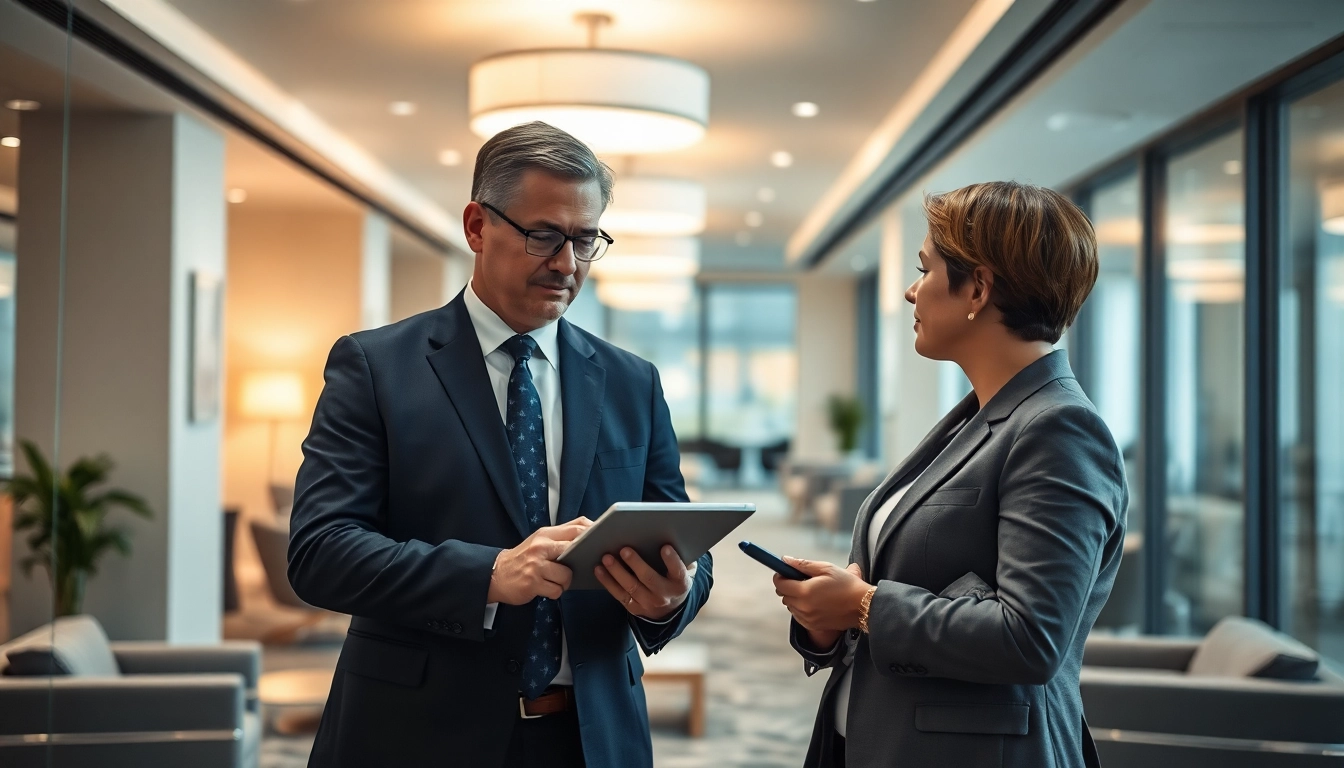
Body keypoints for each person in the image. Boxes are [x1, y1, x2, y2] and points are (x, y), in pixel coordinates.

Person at [288, 121, 712, 768]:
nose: (567, 263)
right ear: (477, 227)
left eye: (585, 239)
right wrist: (487, 575)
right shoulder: (376, 368)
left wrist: (674, 596)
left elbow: (681, 542)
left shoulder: (632, 382)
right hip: (417, 736)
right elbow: (320, 551)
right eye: (544, 235)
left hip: (592, 739)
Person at [774, 181, 1126, 768]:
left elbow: (1030, 638)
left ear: (979, 288)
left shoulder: (1058, 428)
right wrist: (829, 619)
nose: (911, 291)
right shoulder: (978, 416)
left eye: (924, 269)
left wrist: (863, 605)